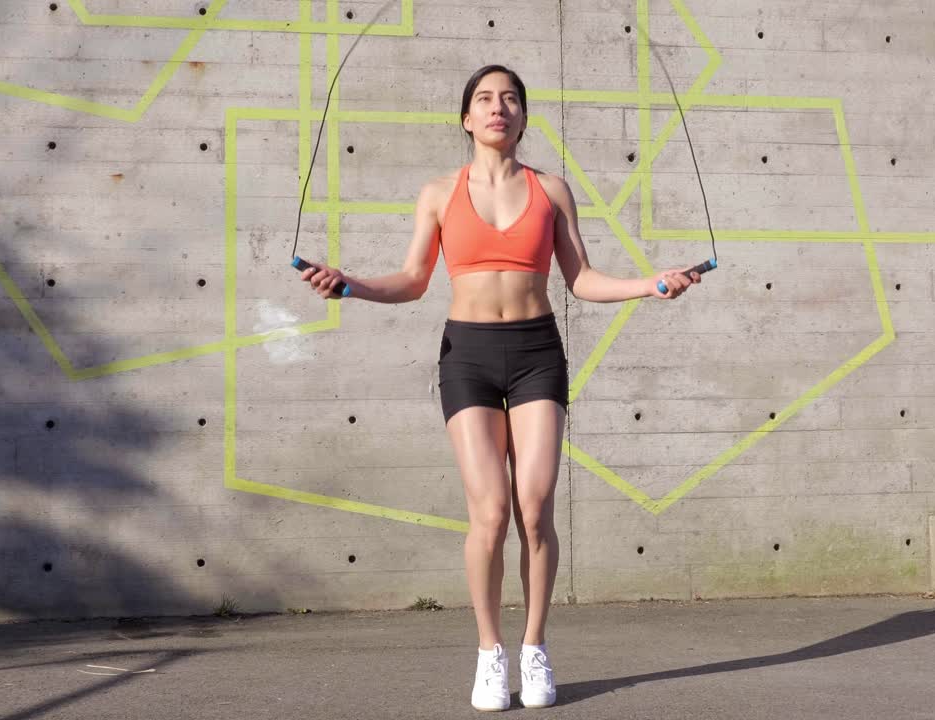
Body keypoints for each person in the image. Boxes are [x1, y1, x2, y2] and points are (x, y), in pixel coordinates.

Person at [300, 64, 700, 711]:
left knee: (534, 510)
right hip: (468, 356)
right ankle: (491, 653)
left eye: (510, 98)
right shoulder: (438, 193)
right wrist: (349, 285)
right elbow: (412, 280)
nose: (498, 107)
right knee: (488, 514)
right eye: (485, 98)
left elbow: (583, 279)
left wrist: (649, 285)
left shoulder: (551, 190)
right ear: (466, 118)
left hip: (538, 353)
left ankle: (534, 648)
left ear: (522, 117)